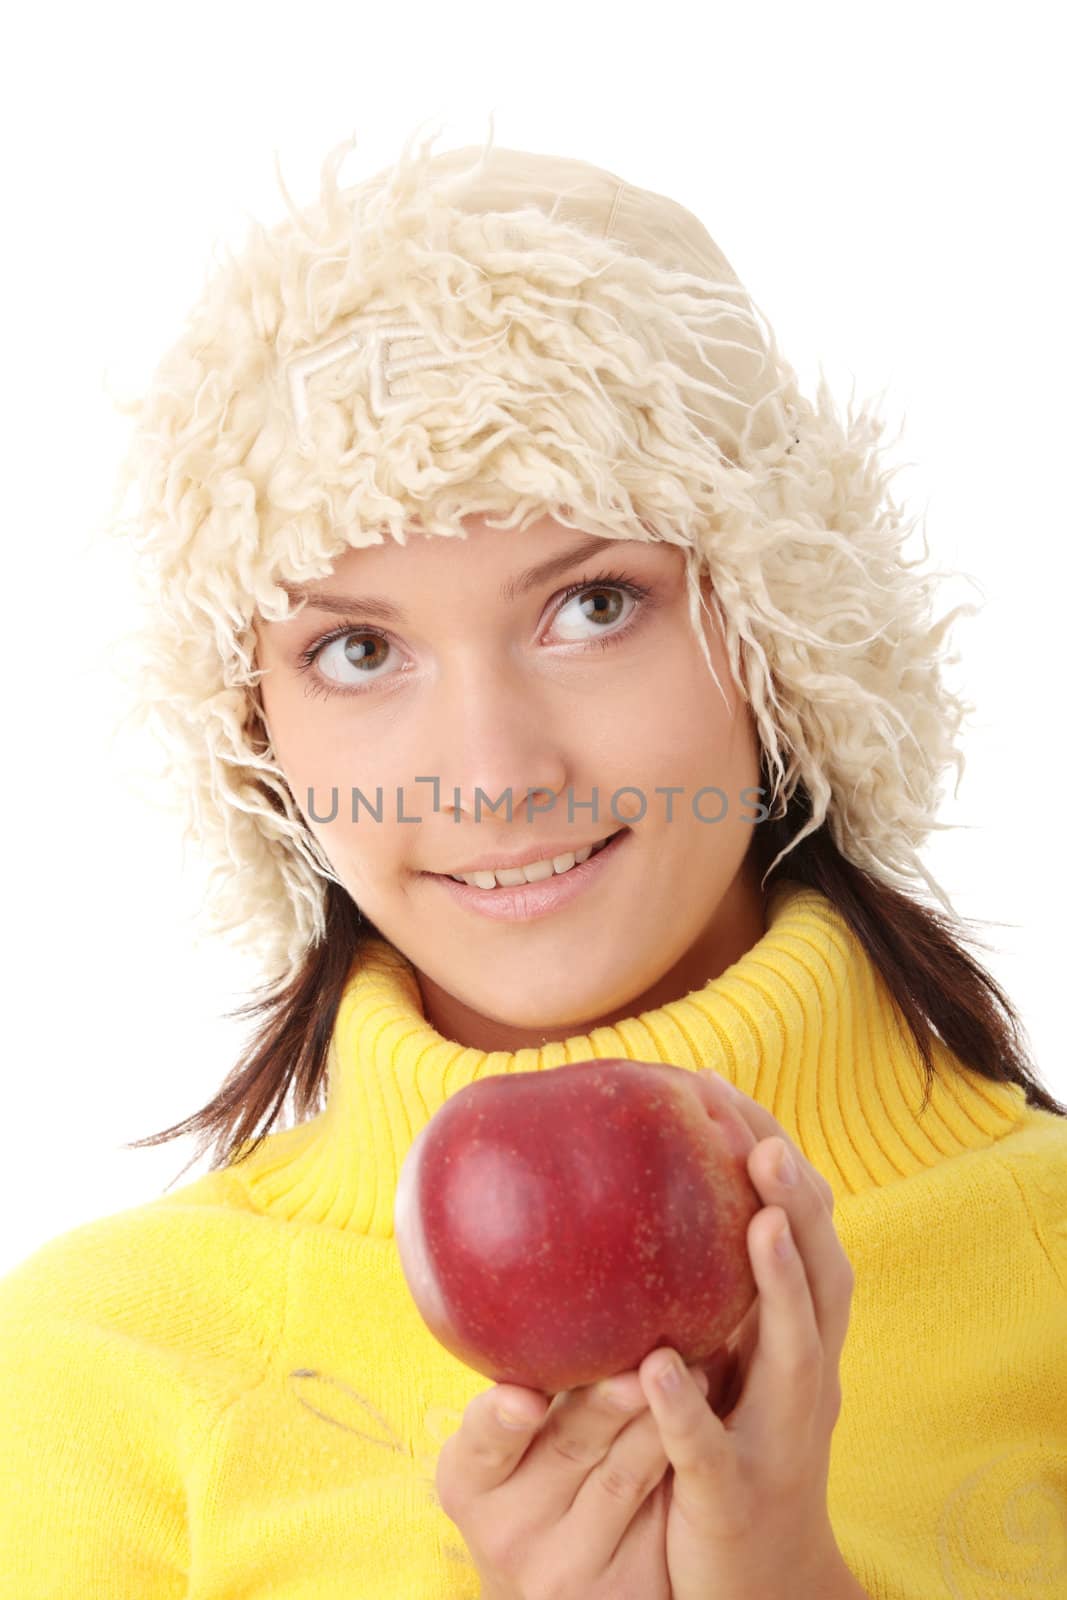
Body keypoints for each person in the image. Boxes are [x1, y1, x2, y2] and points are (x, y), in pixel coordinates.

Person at [0, 116, 1063, 1600]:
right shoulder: (93, 1370)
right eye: (357, 648)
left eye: (594, 607)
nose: (495, 775)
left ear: (780, 636)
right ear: (256, 736)